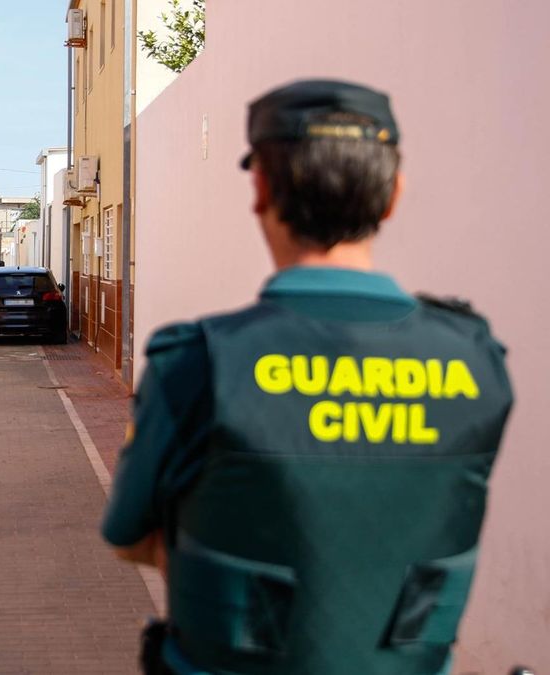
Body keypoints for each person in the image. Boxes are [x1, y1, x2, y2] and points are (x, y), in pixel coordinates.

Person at [102, 80, 513, 675]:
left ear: (261, 189)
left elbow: (126, 530)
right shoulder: (478, 361)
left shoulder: (196, 363)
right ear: (394, 195)